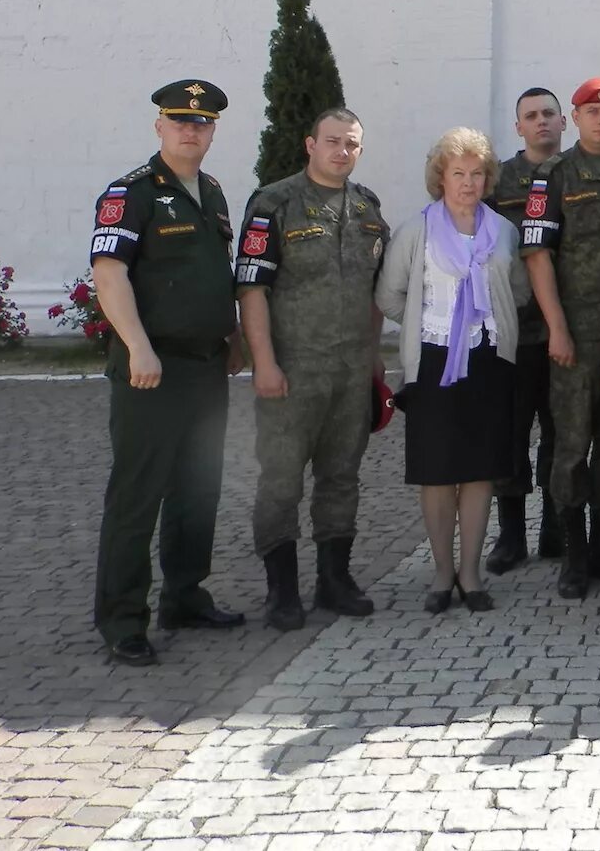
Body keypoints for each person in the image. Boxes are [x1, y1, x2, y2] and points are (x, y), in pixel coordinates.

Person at [89, 80, 247, 666]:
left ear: (213, 131)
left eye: (201, 123)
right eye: (179, 120)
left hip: (206, 366)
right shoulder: (130, 193)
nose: (191, 129)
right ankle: (122, 619)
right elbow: (110, 274)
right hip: (150, 370)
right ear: (159, 125)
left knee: (196, 490)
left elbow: (214, 273)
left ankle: (185, 595)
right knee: (138, 495)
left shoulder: (212, 191)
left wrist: (231, 335)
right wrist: (138, 347)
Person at [234, 108, 390, 631]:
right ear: (310, 144)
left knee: (342, 475)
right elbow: (252, 288)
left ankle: (333, 579)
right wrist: (264, 363)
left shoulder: (368, 208)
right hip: (292, 369)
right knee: (281, 480)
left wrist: (373, 362)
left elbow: (375, 295)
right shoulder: (274, 204)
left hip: (349, 370)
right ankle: (281, 591)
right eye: (332, 141)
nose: (341, 151)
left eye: (351, 144)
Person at [376, 128, 527, 613]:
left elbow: (518, 290)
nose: (468, 182)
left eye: (477, 173)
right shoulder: (416, 230)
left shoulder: (503, 231)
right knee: (438, 472)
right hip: (435, 360)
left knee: (479, 472)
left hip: (487, 361)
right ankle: (442, 574)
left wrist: (489, 319)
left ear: (488, 178)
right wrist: (431, 322)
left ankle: (471, 573)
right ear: (440, 178)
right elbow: (389, 295)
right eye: (458, 173)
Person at [521, 75, 600, 598]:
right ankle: (574, 554)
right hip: (574, 333)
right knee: (572, 445)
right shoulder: (553, 174)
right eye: (592, 111)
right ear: (575, 117)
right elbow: (537, 254)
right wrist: (555, 327)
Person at [485, 87, 566, 573]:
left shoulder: (575, 173)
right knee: (509, 435)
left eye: (548, 115)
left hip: (565, 331)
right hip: (512, 330)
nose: (541, 123)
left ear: (564, 122)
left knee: (563, 434)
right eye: (531, 116)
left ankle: (557, 530)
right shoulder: (499, 181)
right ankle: (510, 535)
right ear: (518, 127)